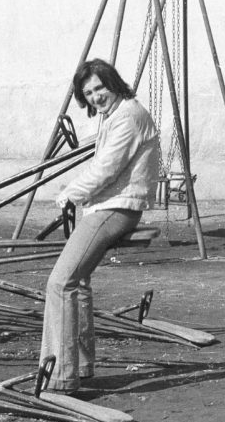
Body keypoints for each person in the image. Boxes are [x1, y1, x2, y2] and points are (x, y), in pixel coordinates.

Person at [40, 59, 160, 394]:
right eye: (89, 93)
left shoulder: (128, 116)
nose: (96, 96)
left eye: (99, 87)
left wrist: (69, 193)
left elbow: (106, 168)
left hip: (116, 208)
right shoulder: (117, 115)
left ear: (113, 83)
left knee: (60, 282)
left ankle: (61, 377)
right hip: (110, 205)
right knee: (78, 283)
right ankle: (80, 365)